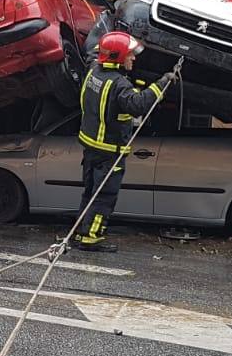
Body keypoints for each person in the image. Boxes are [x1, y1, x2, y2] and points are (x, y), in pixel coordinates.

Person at [74, 31, 177, 253]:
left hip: (90, 147)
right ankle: (91, 237)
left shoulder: (94, 71)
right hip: (109, 151)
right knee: (104, 196)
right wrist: (161, 84)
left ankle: (81, 231)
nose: (134, 58)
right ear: (117, 57)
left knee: (90, 191)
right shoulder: (119, 85)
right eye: (130, 55)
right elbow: (137, 105)